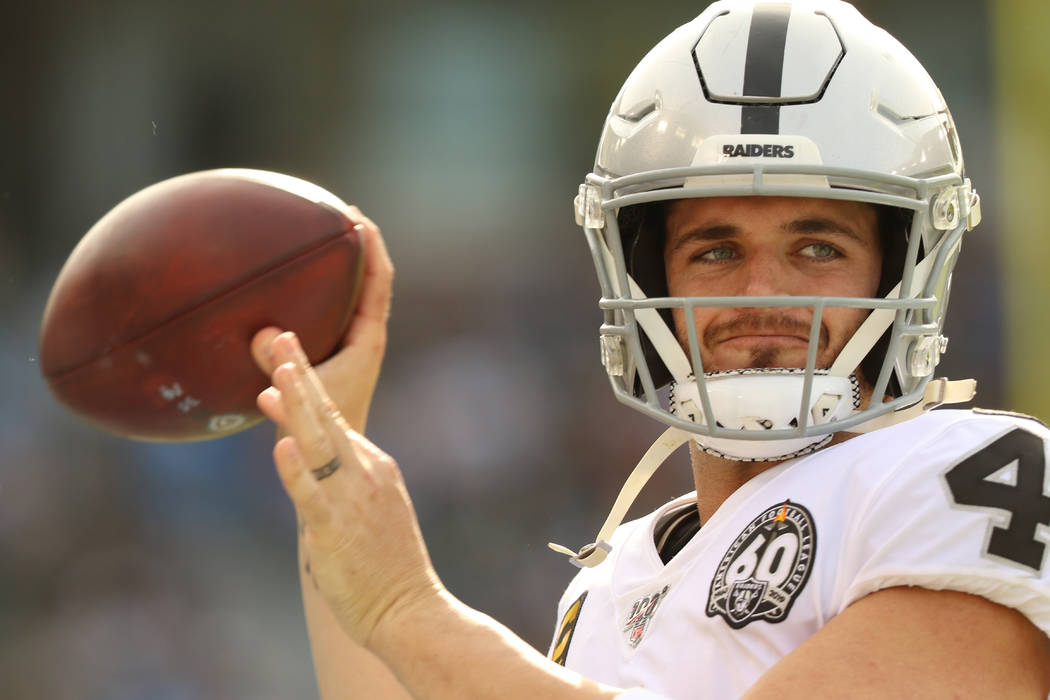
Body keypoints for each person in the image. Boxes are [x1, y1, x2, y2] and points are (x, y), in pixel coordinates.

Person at [250, 1, 1050, 697]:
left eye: (816, 248)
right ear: (641, 273)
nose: (761, 293)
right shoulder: (612, 581)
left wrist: (407, 609)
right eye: (715, 250)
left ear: (897, 271)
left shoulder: (983, 473)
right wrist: (332, 473)